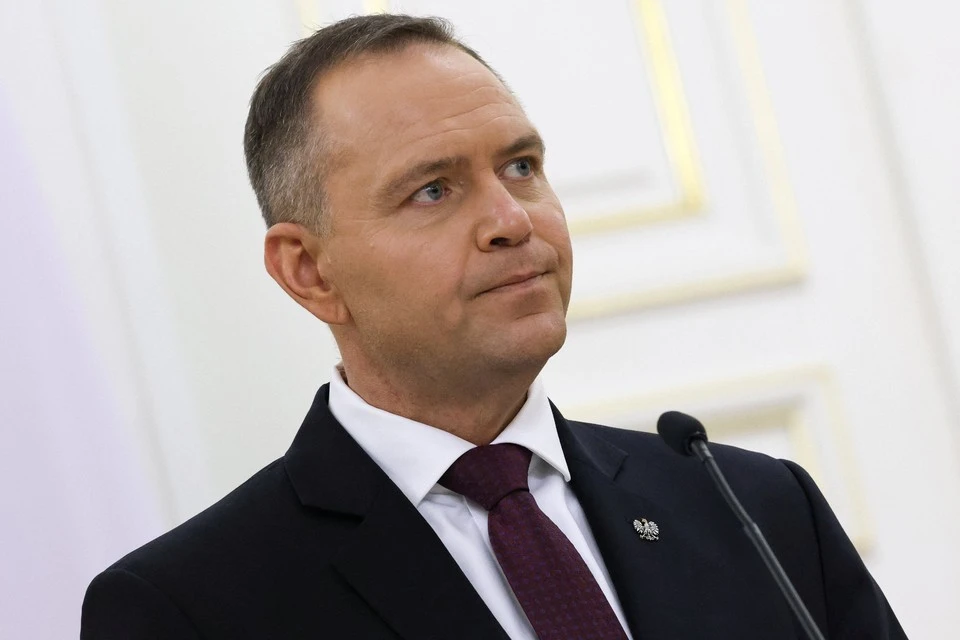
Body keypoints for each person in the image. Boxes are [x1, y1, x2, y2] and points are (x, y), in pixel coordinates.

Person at [81, 14, 905, 639]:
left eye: (521, 166)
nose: (513, 219)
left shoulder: (755, 508)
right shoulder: (188, 608)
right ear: (309, 271)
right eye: (433, 190)